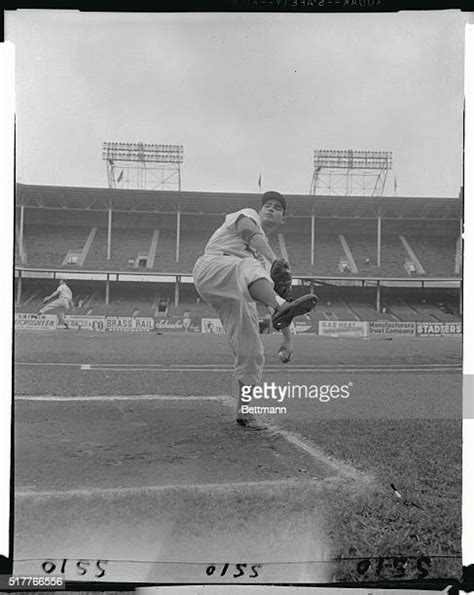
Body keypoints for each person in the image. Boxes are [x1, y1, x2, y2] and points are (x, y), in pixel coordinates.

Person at [193, 190, 317, 430]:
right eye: (268, 205)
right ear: (260, 211)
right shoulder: (248, 216)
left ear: (283, 219)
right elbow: (248, 232)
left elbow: (284, 300)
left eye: (277, 208)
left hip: (239, 288)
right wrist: (274, 261)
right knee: (250, 266)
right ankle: (278, 305)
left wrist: (288, 340)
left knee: (252, 350)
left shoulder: (261, 261)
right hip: (214, 266)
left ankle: (245, 412)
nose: (271, 208)